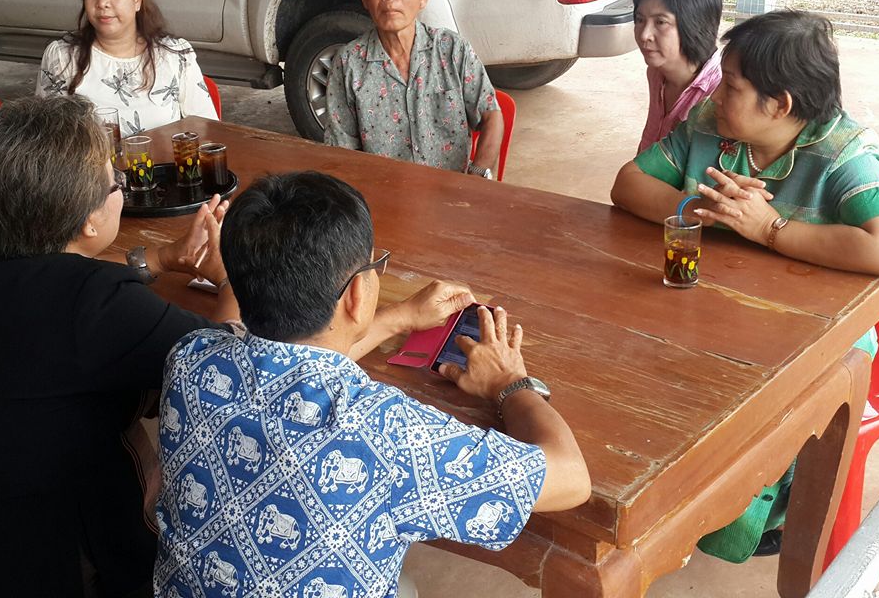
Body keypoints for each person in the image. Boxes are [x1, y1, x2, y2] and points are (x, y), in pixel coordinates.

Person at [154, 171, 591, 597]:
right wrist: (511, 382)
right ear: (357, 293)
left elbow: (287, 360)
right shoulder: (386, 432)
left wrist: (400, 318)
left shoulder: (190, 357)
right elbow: (571, 479)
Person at [610, 9, 879, 561]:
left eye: (731, 86)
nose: (716, 94)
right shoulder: (711, 126)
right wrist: (703, 207)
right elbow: (628, 184)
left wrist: (770, 229)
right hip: (717, 306)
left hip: (816, 335)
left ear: (778, 105)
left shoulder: (839, 154)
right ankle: (669, 500)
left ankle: (747, 517)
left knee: (758, 407)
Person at [0, 95, 233, 598]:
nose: (121, 189)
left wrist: (162, 258)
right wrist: (227, 279)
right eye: (116, 184)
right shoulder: (96, 303)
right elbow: (228, 366)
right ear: (90, 223)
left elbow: (63, 279)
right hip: (56, 570)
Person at [325, 0, 504, 178]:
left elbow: (491, 115)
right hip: (382, 192)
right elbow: (341, 151)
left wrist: (477, 177)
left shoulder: (452, 50)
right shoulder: (348, 64)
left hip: (451, 191)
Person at [36, 0, 218, 137]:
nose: (102, 3)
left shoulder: (174, 55)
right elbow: (47, 139)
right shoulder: (63, 57)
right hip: (91, 158)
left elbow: (208, 130)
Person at [632, 0, 724, 154]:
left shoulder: (718, 92)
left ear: (694, 25)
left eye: (660, 22)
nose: (644, 35)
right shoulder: (657, 72)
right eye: (640, 20)